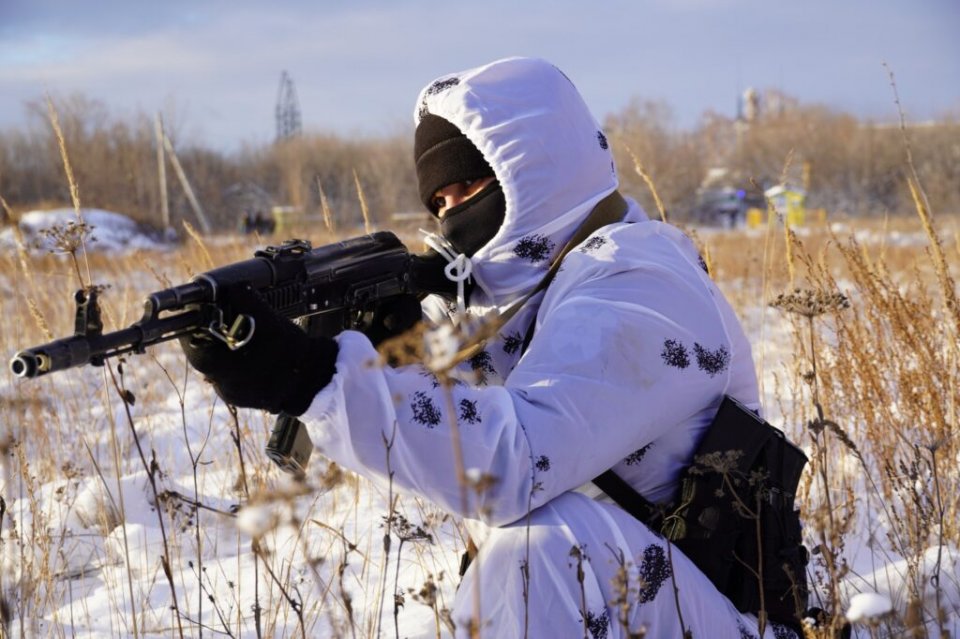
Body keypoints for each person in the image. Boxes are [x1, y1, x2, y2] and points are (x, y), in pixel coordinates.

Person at [182, 57, 799, 638]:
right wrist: (398, 352)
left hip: (730, 617)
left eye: (469, 186)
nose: (453, 214)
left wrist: (310, 378)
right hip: (653, 604)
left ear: (536, 171)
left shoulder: (638, 277)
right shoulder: (524, 296)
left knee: (542, 549)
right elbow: (460, 424)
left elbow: (514, 461)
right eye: (439, 202)